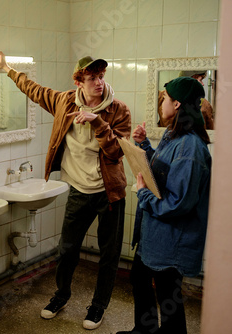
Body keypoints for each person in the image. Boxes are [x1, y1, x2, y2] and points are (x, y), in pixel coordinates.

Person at [0, 52, 131, 330]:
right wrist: (7, 67)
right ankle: (61, 295)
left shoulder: (118, 110)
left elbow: (116, 152)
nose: (99, 83)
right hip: (79, 191)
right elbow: (34, 90)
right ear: (79, 81)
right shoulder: (63, 101)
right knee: (66, 250)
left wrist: (97, 122)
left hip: (109, 193)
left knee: (109, 255)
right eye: (92, 78)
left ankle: (98, 306)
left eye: (101, 77)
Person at [117, 77, 211, 334]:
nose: (161, 104)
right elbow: (162, 172)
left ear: (177, 103)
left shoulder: (190, 147)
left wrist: (143, 195)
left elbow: (178, 203)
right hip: (155, 234)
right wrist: (143, 146)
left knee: (169, 297)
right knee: (139, 278)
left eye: (165, 99)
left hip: (172, 239)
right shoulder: (174, 135)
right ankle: (143, 330)